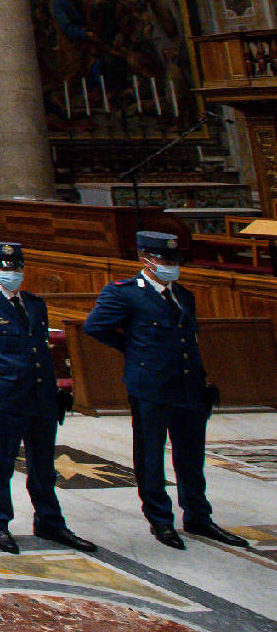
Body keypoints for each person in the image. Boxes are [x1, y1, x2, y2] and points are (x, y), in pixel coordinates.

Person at [83, 231, 249, 549]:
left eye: (174, 260)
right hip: (151, 386)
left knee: (191, 455)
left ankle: (198, 517)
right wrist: (135, 351)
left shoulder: (183, 295)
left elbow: (188, 340)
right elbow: (95, 327)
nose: (171, 266)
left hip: (188, 385)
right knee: (150, 454)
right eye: (164, 260)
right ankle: (160, 519)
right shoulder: (124, 293)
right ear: (145, 259)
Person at [0, 242, 94, 555]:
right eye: (5, 267)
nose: (12, 273)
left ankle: (49, 521)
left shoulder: (34, 304)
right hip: (4, 394)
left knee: (43, 464)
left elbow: (39, 347)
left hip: (40, 395)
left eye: (17, 267)